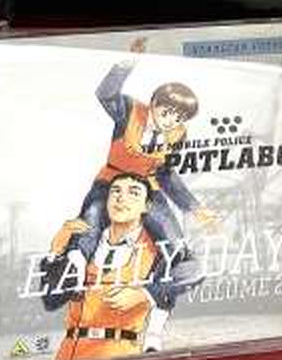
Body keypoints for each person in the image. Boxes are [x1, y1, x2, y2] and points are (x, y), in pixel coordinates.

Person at [73, 39, 219, 265]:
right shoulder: (130, 110)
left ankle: (172, 269)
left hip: (148, 188)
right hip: (111, 181)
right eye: (167, 113)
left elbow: (166, 174)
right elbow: (105, 94)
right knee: (92, 217)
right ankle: (74, 264)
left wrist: (194, 208)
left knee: (172, 238)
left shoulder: (178, 134)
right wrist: (128, 62)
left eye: (179, 118)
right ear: (153, 103)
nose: (170, 121)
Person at [41, 172, 203, 360]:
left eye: (133, 193)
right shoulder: (83, 247)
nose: (121, 198)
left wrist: (145, 294)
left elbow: (195, 270)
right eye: (115, 191)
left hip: (119, 356)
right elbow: (51, 300)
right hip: (67, 357)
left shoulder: (157, 250)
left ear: (147, 206)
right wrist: (55, 252)